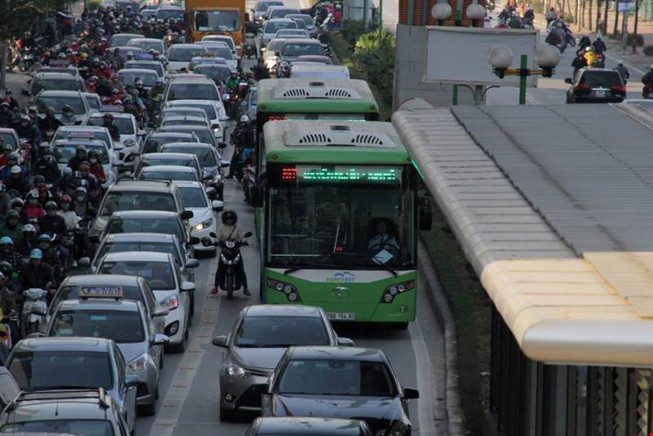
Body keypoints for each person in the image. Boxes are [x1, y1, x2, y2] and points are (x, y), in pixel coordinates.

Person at [212, 210, 249, 296]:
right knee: (220, 268)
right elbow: (218, 236)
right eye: (227, 218)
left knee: (241, 269)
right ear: (225, 219)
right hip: (225, 251)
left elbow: (242, 236)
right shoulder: (221, 228)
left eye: (231, 219)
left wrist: (244, 241)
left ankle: (245, 288)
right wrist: (216, 241)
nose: (229, 220)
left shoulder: (238, 228)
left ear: (234, 219)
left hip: (235, 251)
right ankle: (215, 287)